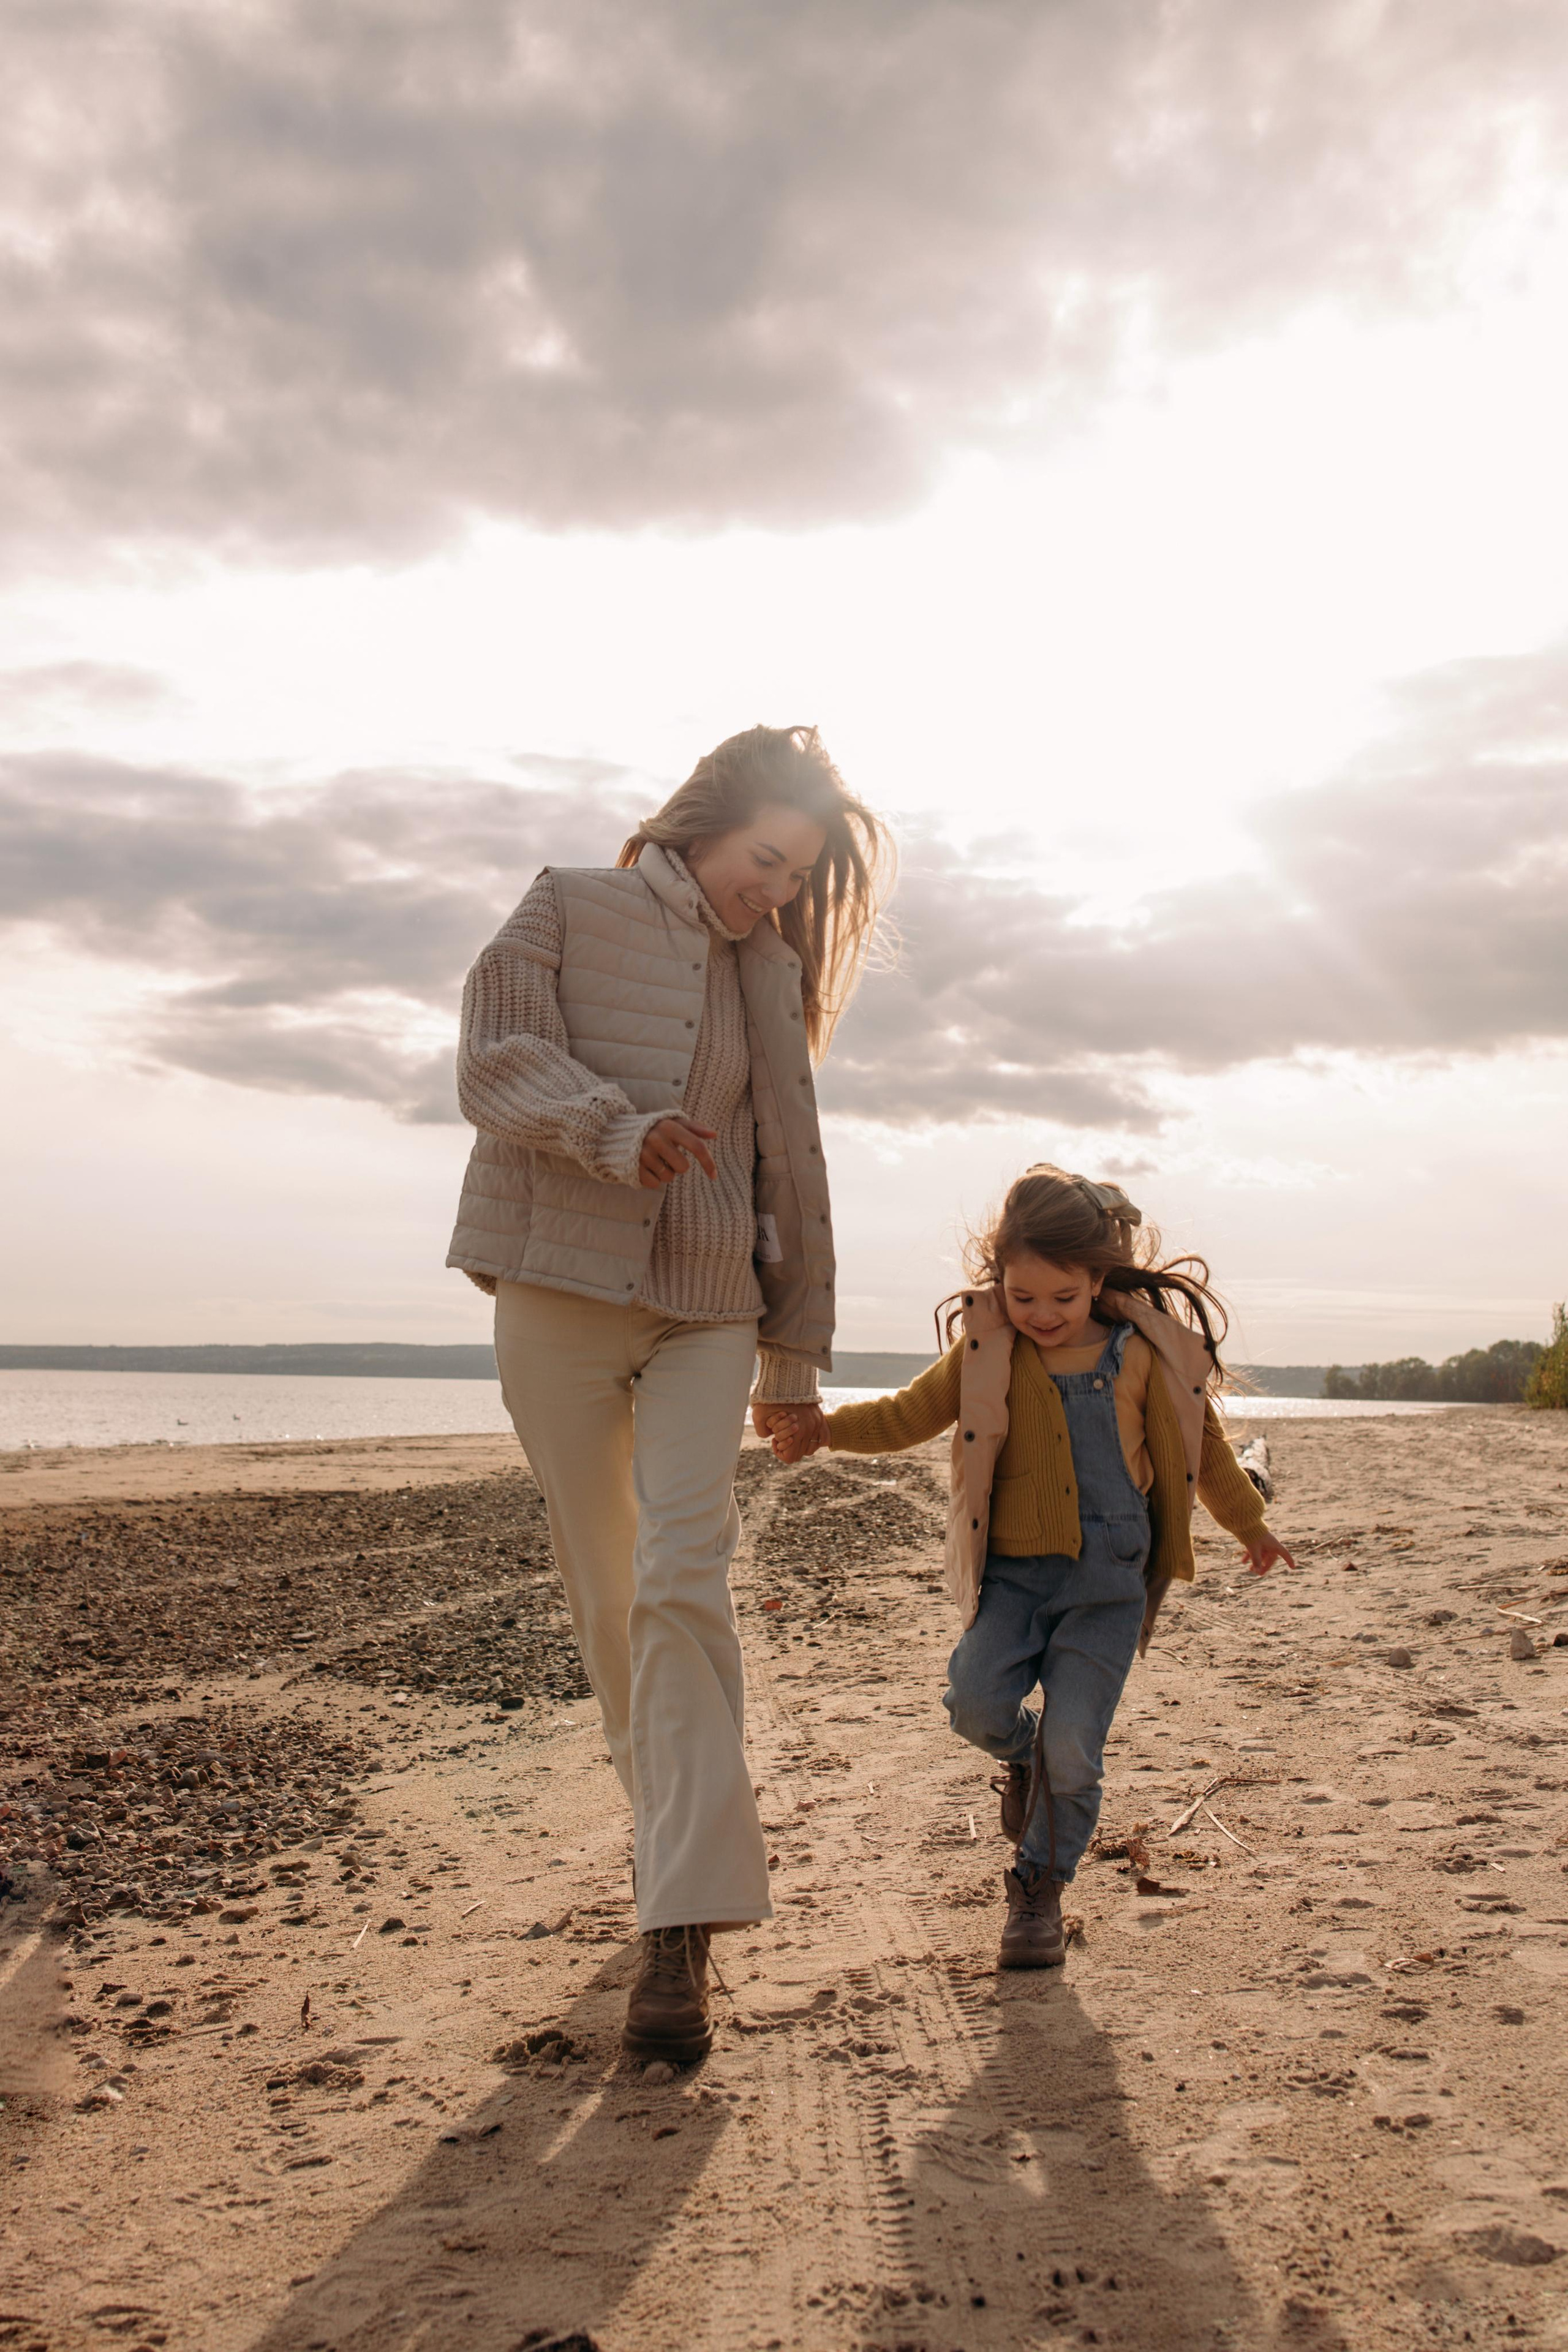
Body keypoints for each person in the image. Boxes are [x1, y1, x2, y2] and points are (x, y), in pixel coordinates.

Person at [446, 725, 892, 2060]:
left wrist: (794, 1362)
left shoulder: (773, 969)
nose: (773, 891)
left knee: (682, 1576)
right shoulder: (566, 905)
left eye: (796, 876)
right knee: (605, 1589)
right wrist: (614, 1129)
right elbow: (492, 1062)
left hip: (710, 1307)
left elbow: (788, 1169)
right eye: (765, 860)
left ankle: (679, 1927)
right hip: (557, 1293)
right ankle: (666, 1848)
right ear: (698, 825)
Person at [767, 1163, 1295, 1970]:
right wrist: (827, 1429)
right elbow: (908, 1412)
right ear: (999, 1278)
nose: (1042, 1315)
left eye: (1063, 1298)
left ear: (1097, 1280)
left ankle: (1038, 1890)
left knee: (1076, 1749)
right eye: (1024, 1297)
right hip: (1014, 1580)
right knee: (973, 1704)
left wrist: (1250, 1526)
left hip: (1107, 1588)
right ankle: (1021, 1757)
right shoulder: (989, 1350)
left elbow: (1205, 1455)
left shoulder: (1145, 1355)